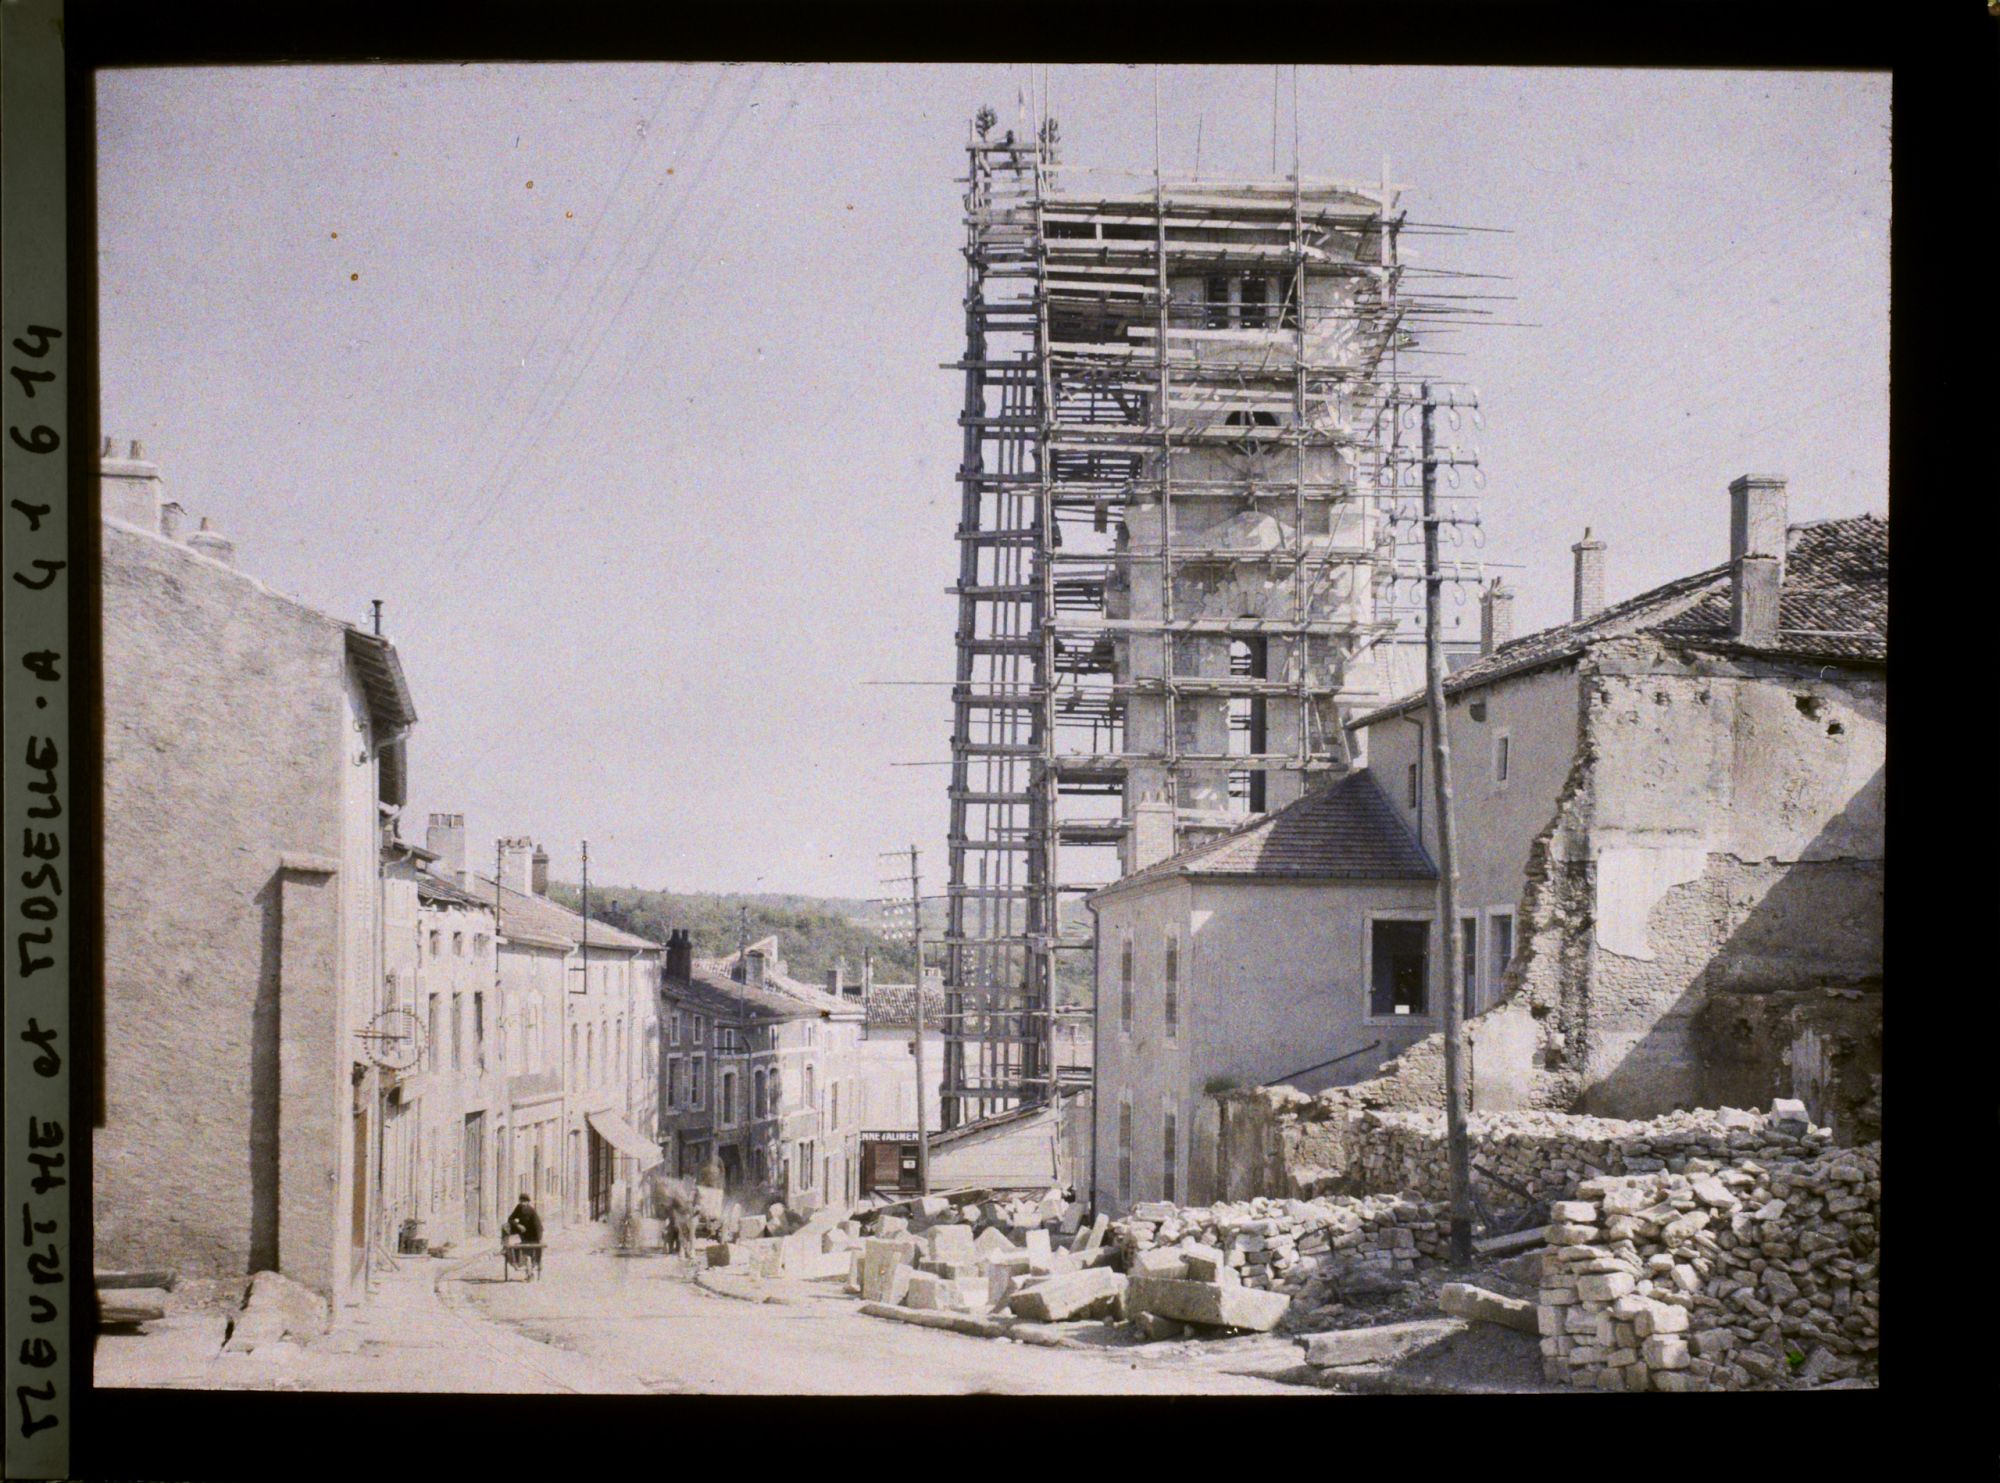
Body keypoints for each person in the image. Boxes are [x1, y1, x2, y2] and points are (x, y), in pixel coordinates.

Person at [504, 1193, 543, 1280]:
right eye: (521, 1201)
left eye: (524, 1202)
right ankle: (519, 1264)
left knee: (529, 1253)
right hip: (524, 1234)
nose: (522, 1203)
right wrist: (518, 1225)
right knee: (505, 1227)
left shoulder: (531, 1211)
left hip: (533, 1234)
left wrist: (539, 1239)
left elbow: (538, 1227)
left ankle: (531, 1270)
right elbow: (510, 1219)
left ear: (528, 1202)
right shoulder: (518, 1208)